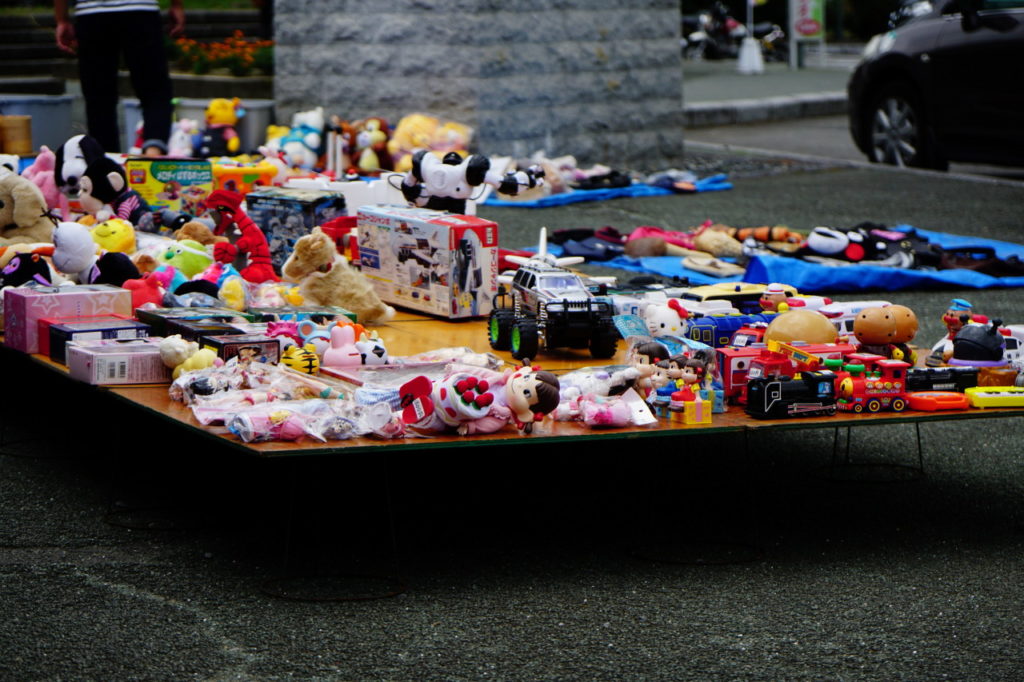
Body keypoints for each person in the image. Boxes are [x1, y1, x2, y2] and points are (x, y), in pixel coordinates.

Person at [54, 0, 185, 155]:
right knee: (154, 89)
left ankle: (105, 158)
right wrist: (176, 5)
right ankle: (153, 149)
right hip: (140, 10)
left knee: (98, 95)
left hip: (92, 14)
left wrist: (62, 19)